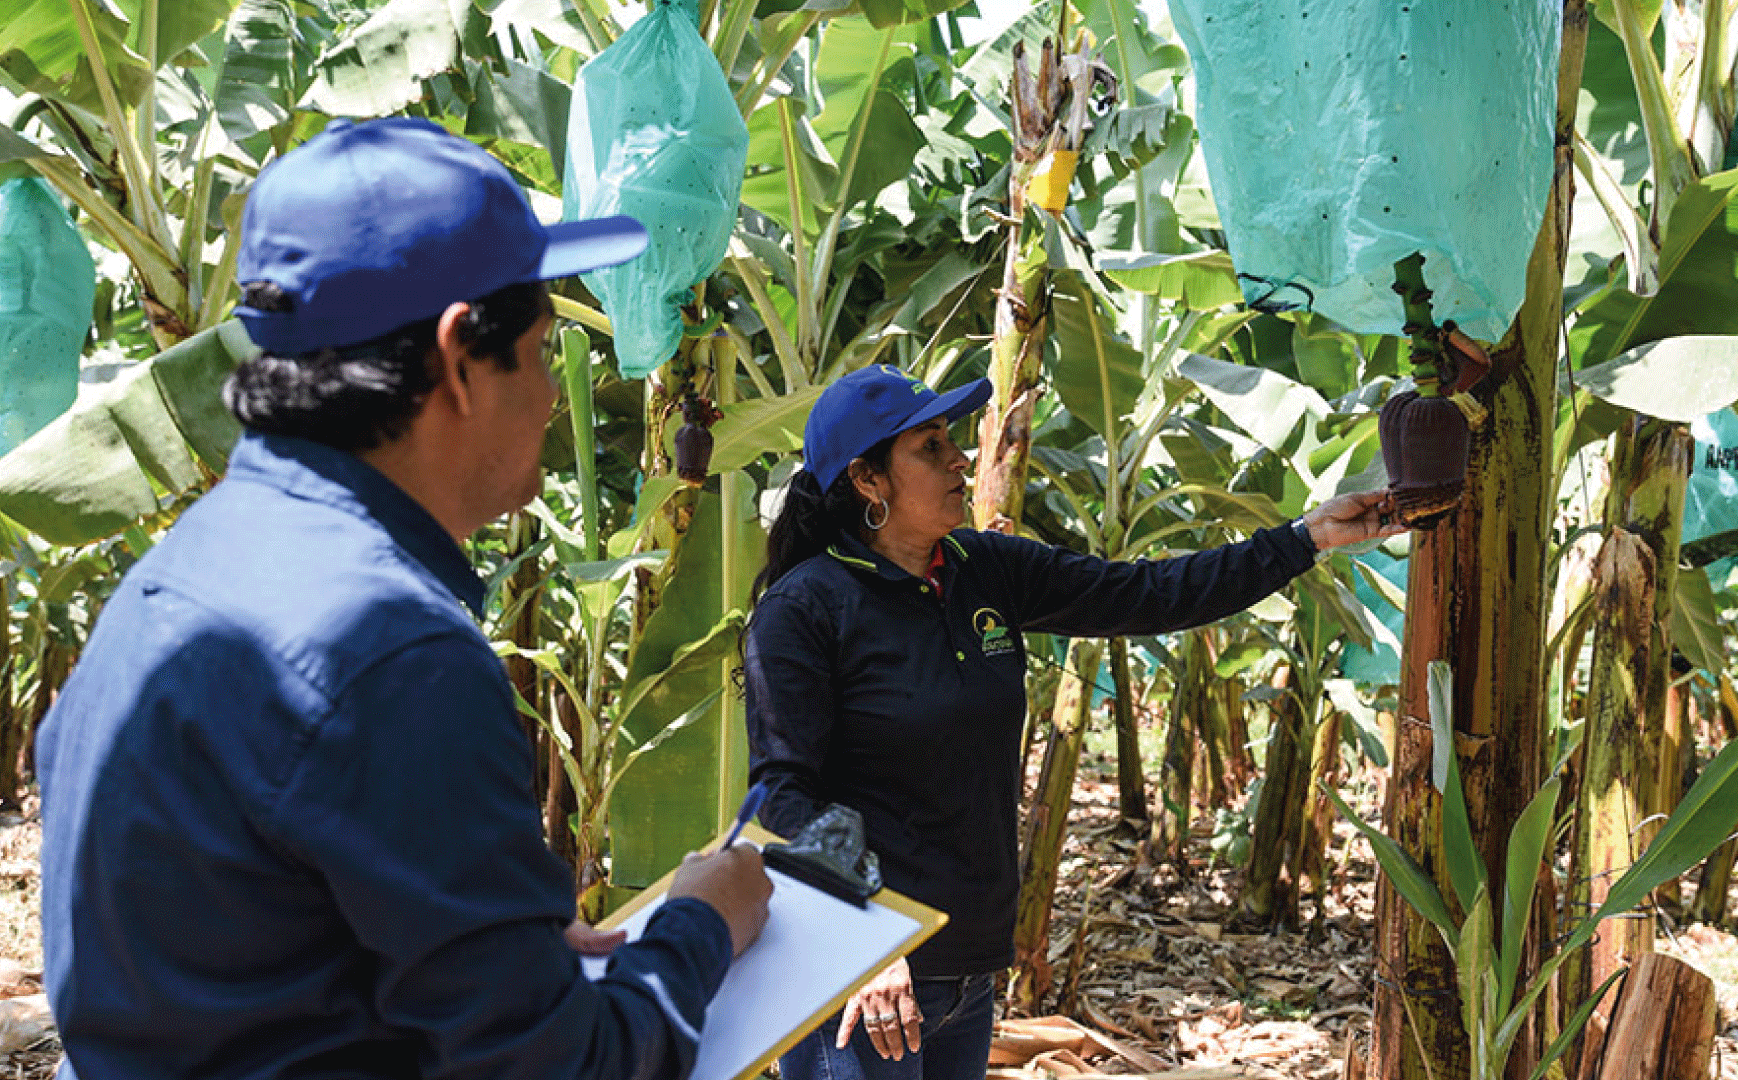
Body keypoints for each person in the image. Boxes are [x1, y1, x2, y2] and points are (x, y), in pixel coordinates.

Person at [36, 117, 772, 1080]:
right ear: (460, 357)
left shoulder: (178, 577)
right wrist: (701, 925)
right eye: (544, 352)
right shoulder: (391, 653)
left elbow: (269, 942)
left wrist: (505, 954)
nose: (553, 396)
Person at [743, 364, 1405, 1080]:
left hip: (964, 963)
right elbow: (781, 795)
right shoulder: (805, 611)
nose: (960, 457)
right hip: (864, 982)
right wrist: (859, 941)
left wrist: (1304, 539)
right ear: (867, 481)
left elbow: (1147, 593)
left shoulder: (980, 569)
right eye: (929, 447)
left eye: (950, 440)